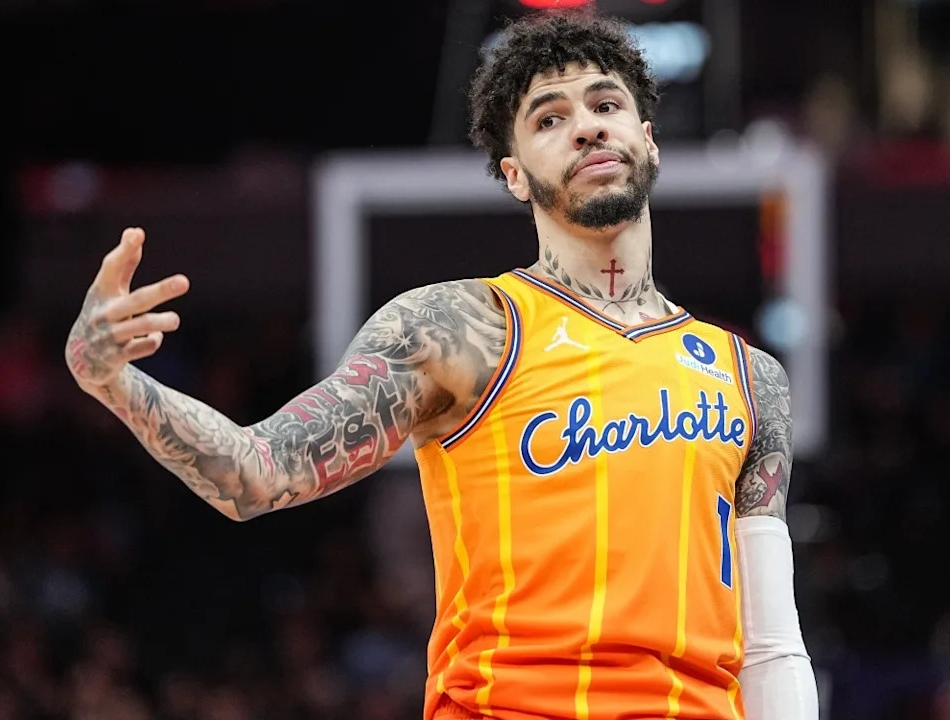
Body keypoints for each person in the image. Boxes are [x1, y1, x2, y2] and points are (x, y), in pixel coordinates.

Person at [64, 10, 818, 720]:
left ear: (648, 140)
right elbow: (255, 472)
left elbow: (773, 645)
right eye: (549, 119)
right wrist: (114, 380)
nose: (586, 127)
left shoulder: (751, 379)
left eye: (604, 105)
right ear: (515, 173)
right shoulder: (460, 330)